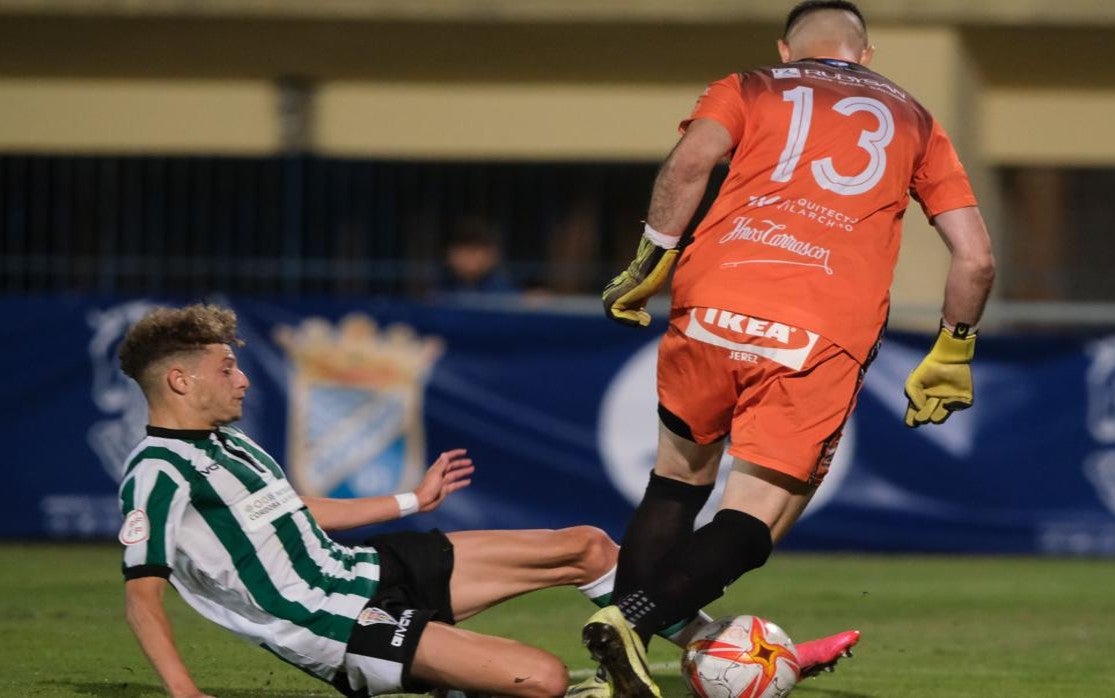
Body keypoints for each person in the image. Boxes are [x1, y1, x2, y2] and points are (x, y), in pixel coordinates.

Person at [115, 303, 854, 698]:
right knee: (544, 679)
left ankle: (735, 653)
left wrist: (412, 498)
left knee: (589, 547)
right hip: (338, 626)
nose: (243, 380)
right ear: (179, 381)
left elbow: (297, 514)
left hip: (364, 571)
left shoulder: (231, 446)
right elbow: (144, 596)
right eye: (226, 369)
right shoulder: (156, 472)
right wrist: (184, 692)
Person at [587, 1, 996, 696]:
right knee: (758, 513)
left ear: (787, 50)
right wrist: (954, 348)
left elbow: (689, 165)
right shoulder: (918, 120)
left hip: (712, 302)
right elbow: (976, 259)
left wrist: (650, 260)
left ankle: (611, 674)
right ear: (865, 56)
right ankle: (633, 621)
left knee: (674, 481)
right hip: (818, 328)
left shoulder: (748, 84)